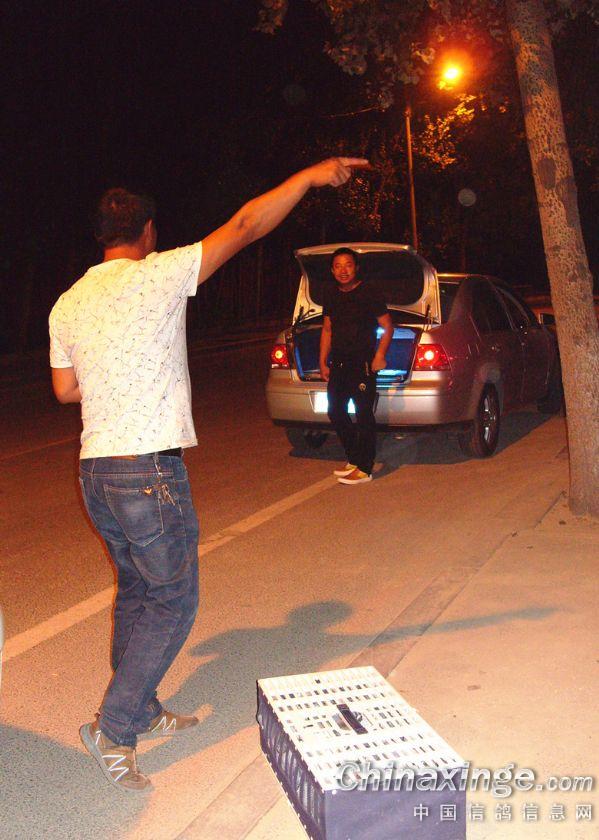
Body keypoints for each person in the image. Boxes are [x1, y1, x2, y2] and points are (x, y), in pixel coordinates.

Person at [49, 157, 368, 792]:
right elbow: (247, 225)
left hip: (96, 471)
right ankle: (114, 729)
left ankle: (140, 707)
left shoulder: (68, 302)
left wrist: (112, 372)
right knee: (173, 600)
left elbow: (65, 390)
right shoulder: (159, 273)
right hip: (147, 468)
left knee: (137, 591)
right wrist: (309, 177)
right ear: (147, 232)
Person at [319, 247, 393, 485]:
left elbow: (387, 327)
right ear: (332, 270)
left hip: (363, 364)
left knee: (363, 415)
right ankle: (354, 458)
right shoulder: (331, 295)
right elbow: (327, 329)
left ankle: (365, 468)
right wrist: (322, 361)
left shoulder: (369, 292)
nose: (343, 270)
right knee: (335, 411)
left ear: (356, 268)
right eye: (338, 266)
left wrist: (380, 355)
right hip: (339, 363)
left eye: (348, 265)